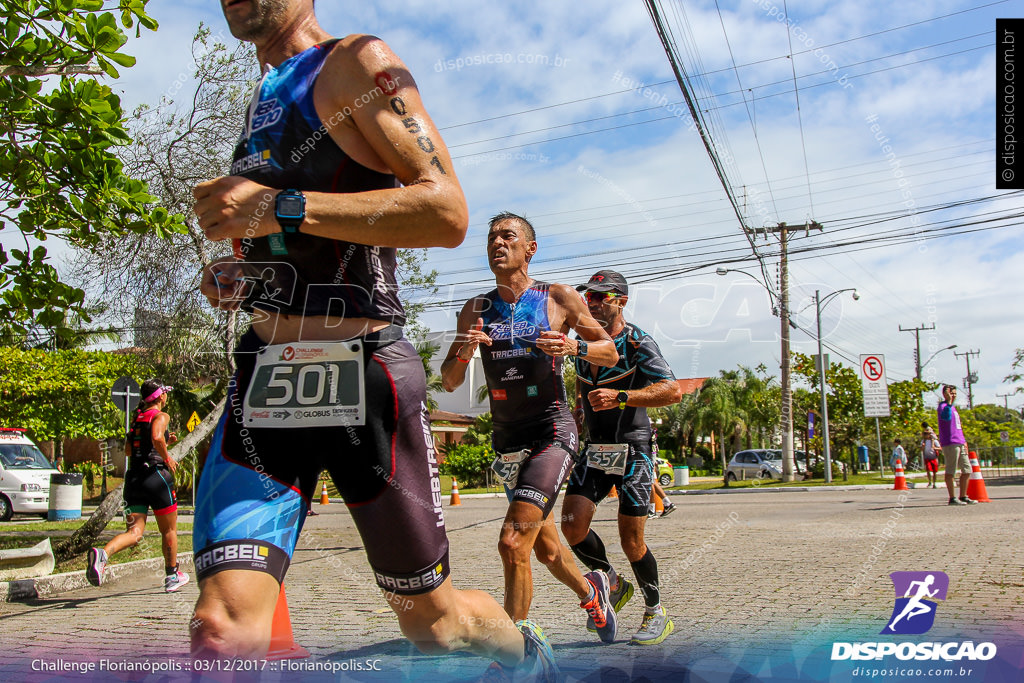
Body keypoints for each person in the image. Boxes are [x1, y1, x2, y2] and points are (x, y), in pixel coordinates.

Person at [191, 3, 555, 676]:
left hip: (364, 379)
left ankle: (525, 658)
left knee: (435, 625)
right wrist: (246, 272)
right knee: (220, 628)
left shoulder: (359, 62)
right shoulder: (265, 98)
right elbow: (305, 239)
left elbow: (445, 210)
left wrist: (275, 205)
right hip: (266, 377)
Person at [441, 212, 620, 644]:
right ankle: (591, 591)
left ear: (530, 248)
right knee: (545, 548)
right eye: (491, 238)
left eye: (508, 236)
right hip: (507, 439)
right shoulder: (476, 308)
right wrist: (465, 351)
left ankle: (514, 647)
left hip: (552, 430)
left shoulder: (557, 297)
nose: (497, 244)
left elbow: (610, 352)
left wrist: (575, 345)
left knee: (512, 541)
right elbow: (448, 379)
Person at [561, 269, 684, 646]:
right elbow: (584, 387)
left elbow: (673, 390)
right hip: (596, 449)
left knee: (631, 540)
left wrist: (623, 397)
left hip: (633, 448)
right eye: (589, 297)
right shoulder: (583, 345)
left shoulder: (637, 342)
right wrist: (579, 415)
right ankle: (612, 583)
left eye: (602, 297)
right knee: (571, 525)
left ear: (621, 301)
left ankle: (656, 611)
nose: (593, 302)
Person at [86, 380, 188, 592]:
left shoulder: (137, 418)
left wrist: (164, 444)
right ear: (161, 397)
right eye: (165, 393)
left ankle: (103, 555)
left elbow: (129, 450)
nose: (166, 397)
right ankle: (172, 576)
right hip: (156, 477)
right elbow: (157, 437)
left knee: (134, 533)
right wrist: (167, 458)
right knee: (169, 529)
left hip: (133, 479)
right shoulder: (161, 416)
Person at [938, 385, 976, 505]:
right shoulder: (943, 407)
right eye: (951, 393)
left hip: (959, 441)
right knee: (951, 470)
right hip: (950, 443)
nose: (953, 395)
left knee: (967, 469)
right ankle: (952, 498)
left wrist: (964, 441)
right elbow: (946, 418)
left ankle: (963, 495)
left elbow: (958, 426)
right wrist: (948, 402)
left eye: (954, 393)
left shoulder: (953, 408)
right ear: (945, 394)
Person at [921, 421, 940, 488]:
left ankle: (934, 483)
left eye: (927, 434)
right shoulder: (924, 441)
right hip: (927, 457)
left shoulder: (929, 430)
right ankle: (930, 482)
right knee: (928, 469)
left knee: (934, 471)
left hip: (934, 457)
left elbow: (934, 437)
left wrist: (934, 447)